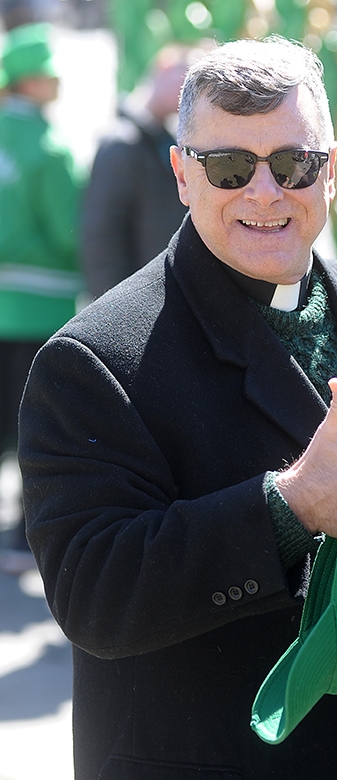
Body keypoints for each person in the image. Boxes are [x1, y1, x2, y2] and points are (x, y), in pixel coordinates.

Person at [18, 36, 337, 780]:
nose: (266, 192)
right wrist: (288, 506)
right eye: (231, 167)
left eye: (295, 163)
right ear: (182, 174)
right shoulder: (93, 360)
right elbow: (95, 594)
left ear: (330, 170)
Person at [0, 22, 83, 573]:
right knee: (32, 429)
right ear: (32, 80)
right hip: (38, 305)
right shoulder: (49, 149)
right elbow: (70, 233)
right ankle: (18, 537)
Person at [81, 44, 190, 299]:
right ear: (163, 69)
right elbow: (102, 239)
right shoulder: (120, 143)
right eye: (185, 77)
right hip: (128, 308)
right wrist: (109, 311)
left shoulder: (159, 140)